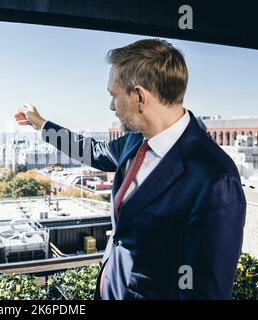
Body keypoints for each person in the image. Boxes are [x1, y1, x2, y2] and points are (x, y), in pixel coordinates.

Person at [16, 38, 246, 300]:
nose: (111, 107)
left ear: (139, 97)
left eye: (114, 95)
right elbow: (91, 150)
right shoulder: (134, 141)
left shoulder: (215, 178)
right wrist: (42, 125)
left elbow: (206, 292)